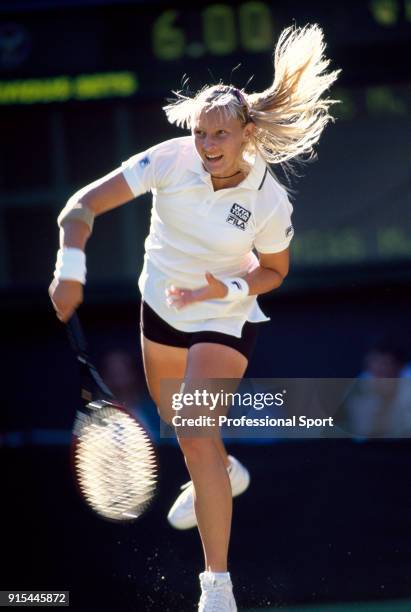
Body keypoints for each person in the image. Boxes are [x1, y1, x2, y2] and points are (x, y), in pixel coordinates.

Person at [49, 24, 339, 612]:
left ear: (246, 134)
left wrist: (226, 286)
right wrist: (69, 265)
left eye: (220, 134)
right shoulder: (168, 159)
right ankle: (221, 471)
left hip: (226, 315)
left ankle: (217, 589)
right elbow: (80, 206)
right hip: (159, 307)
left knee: (196, 429)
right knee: (184, 426)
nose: (207, 143)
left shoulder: (269, 200)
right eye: (201, 131)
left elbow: (275, 272)